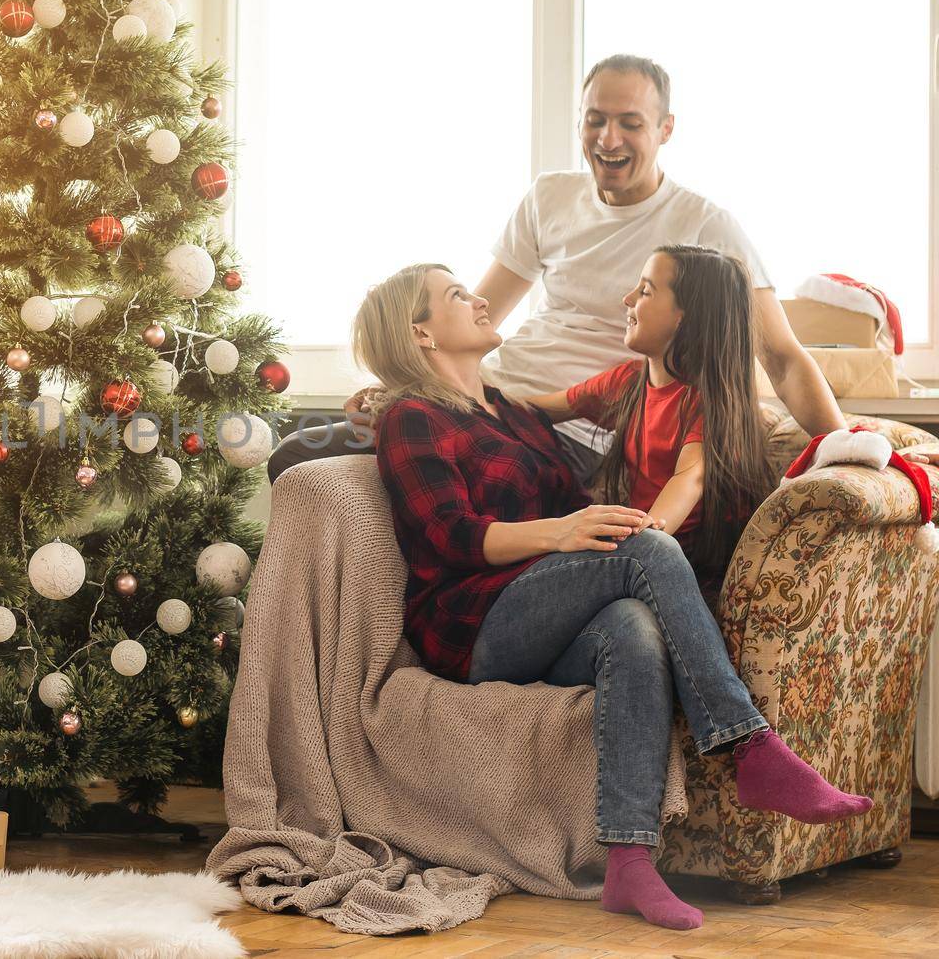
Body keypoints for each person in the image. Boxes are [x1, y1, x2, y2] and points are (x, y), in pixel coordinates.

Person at [356, 263, 871, 932]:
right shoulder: (410, 417)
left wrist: (589, 524)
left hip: (547, 601)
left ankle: (629, 859)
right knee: (650, 547)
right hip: (475, 621)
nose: (480, 297)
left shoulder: (508, 409)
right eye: (458, 294)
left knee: (632, 627)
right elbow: (447, 535)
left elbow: (578, 503)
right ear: (420, 332)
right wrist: (566, 531)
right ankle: (750, 747)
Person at [270, 54, 844, 486]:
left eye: (630, 123)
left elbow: (782, 358)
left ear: (666, 129)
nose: (608, 139)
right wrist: (398, 389)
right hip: (485, 400)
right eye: (594, 120)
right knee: (296, 454)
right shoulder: (550, 197)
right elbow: (473, 318)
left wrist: (847, 447)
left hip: (574, 434)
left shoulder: (705, 227)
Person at [523, 245, 774, 587]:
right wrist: (463, 399)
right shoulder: (628, 382)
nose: (628, 299)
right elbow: (534, 409)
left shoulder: (707, 403)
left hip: (687, 566)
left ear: (683, 316)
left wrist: (637, 541)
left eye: (645, 291)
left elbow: (690, 479)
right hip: (639, 553)